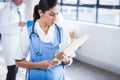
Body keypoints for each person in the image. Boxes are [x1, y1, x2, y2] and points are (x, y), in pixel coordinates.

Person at [15, 0, 75, 80]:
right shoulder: (28, 32)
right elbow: (18, 62)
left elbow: (70, 60)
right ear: (40, 12)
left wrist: (65, 59)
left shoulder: (62, 32)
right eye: (51, 14)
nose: (55, 18)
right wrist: (39, 65)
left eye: (57, 14)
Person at [0, 0, 26, 80]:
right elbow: (2, 29)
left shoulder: (19, 9)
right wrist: (17, 25)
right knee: (12, 71)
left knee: (15, 70)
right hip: (10, 45)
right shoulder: (5, 11)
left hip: (18, 45)